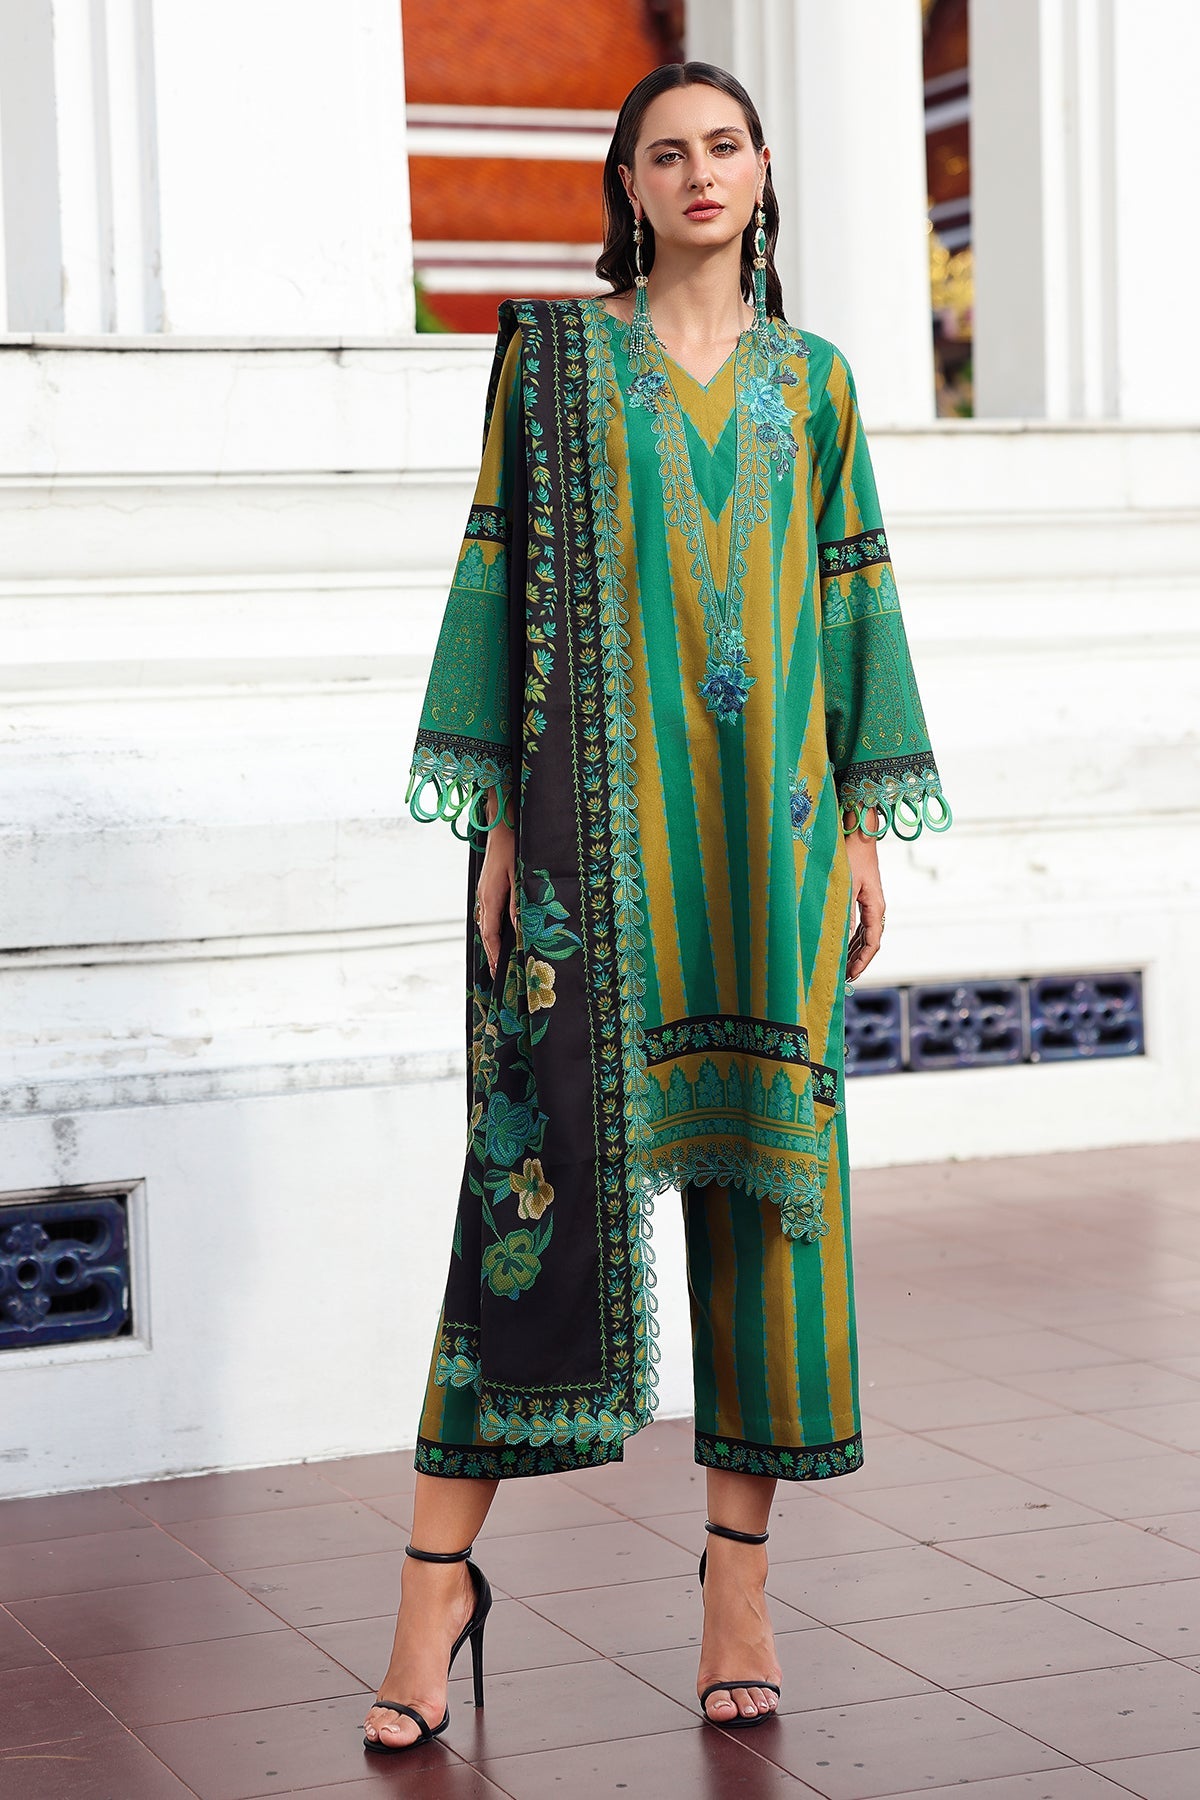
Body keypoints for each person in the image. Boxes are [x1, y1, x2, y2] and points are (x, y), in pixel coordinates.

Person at [363, 59, 951, 1755]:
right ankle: (432, 1584)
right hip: (588, 860)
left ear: (763, 174)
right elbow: (495, 569)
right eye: (665, 153)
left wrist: (860, 829)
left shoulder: (815, 383)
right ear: (625, 186)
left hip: (771, 849)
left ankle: (738, 1588)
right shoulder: (559, 368)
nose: (699, 173)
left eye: (725, 146)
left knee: (769, 1204)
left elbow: (855, 590)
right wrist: (495, 827)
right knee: (521, 1194)